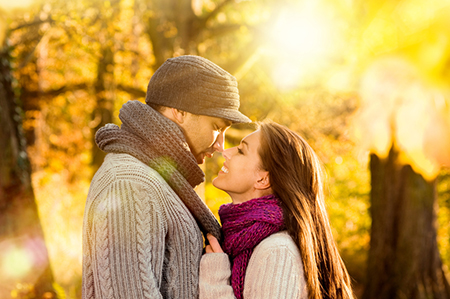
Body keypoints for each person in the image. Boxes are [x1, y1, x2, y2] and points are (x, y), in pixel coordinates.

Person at [82, 55, 251, 299]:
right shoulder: (129, 183)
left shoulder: (163, 179)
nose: (220, 145)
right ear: (179, 111)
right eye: (217, 126)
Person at [199, 121, 354, 299]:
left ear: (263, 179)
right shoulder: (244, 241)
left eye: (241, 151)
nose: (226, 152)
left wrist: (215, 282)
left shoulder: (277, 252)